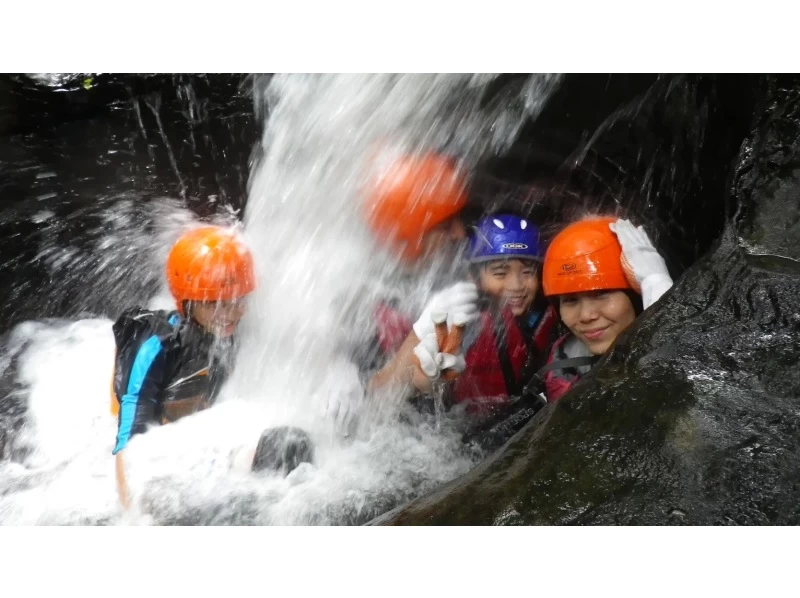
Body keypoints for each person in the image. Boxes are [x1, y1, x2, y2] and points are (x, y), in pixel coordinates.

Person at [110, 225, 312, 508]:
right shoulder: (157, 346)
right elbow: (128, 446)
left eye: (239, 301)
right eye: (216, 304)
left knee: (290, 446)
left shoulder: (243, 332)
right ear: (187, 302)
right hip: (163, 452)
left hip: (208, 442)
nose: (231, 313)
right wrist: (133, 518)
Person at [358, 151, 481, 400]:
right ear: (411, 236)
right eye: (446, 227)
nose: (460, 234)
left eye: (459, 220)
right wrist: (423, 331)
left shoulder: (472, 274)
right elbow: (374, 399)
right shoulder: (366, 299)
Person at [412, 213, 558, 417]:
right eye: (500, 273)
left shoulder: (553, 313)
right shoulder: (463, 325)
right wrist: (426, 382)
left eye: (527, 272)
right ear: (474, 277)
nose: (516, 286)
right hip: (471, 430)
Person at [537, 216, 674, 402]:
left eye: (601, 294)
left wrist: (658, 288)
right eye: (570, 300)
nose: (586, 316)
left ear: (636, 298)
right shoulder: (564, 364)